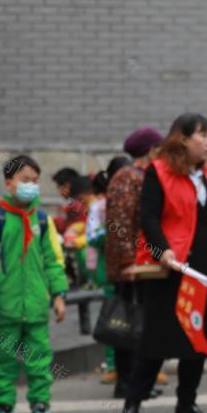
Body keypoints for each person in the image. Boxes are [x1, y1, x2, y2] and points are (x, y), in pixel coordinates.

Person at [120, 114, 207, 413]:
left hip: (204, 267)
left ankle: (187, 401)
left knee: (198, 337)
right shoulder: (159, 172)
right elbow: (149, 219)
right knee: (158, 339)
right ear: (183, 139)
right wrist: (163, 251)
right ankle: (133, 401)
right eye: (202, 136)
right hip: (172, 267)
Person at [0, 155, 68, 413]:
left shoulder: (42, 219)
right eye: (25, 180)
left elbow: (54, 260)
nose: (31, 186)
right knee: (3, 359)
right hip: (4, 305)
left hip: (36, 304)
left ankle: (41, 405)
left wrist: (59, 294)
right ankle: (4, 407)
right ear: (9, 183)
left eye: (35, 181)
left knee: (39, 358)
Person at [105, 126, 166, 399]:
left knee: (140, 325)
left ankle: (136, 383)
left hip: (143, 264)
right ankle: (126, 384)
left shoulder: (141, 176)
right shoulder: (126, 177)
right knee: (127, 325)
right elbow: (119, 223)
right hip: (131, 267)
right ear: (151, 150)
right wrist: (129, 262)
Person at [89, 157, 130, 385]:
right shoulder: (99, 207)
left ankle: (143, 368)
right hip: (110, 274)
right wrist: (110, 233)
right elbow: (91, 237)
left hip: (135, 273)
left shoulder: (135, 201)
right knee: (113, 320)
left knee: (138, 319)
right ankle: (113, 365)